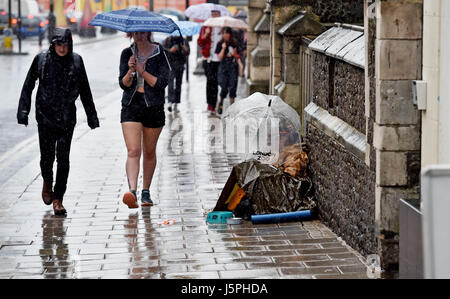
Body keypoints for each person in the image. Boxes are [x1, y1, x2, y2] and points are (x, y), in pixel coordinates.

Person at [17, 28, 99, 215]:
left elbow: (85, 90)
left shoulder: (77, 61)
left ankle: (58, 198)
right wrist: (23, 111)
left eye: (66, 45)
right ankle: (47, 181)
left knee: (63, 160)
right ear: (53, 44)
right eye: (59, 45)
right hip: (45, 116)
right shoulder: (41, 59)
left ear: (70, 45)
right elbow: (28, 85)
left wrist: (91, 116)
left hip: (66, 118)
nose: (62, 49)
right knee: (47, 158)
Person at [119, 31, 171, 208]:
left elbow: (161, 83)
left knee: (149, 151)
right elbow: (123, 83)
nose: (139, 36)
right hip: (131, 105)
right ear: (131, 34)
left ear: (148, 33)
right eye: (136, 33)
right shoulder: (127, 54)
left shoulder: (160, 53)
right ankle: (132, 192)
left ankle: (146, 191)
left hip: (153, 107)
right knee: (133, 150)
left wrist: (142, 71)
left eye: (142, 33)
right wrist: (131, 71)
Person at [198, 9, 222, 115]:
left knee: (216, 82)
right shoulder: (205, 27)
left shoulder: (223, 27)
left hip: (219, 59)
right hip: (207, 58)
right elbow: (200, 42)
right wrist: (205, 35)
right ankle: (210, 105)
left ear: (220, 16)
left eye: (216, 15)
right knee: (209, 82)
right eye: (212, 15)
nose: (214, 17)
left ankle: (215, 104)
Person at [215, 27, 241, 115]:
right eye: (224, 33)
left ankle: (232, 108)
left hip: (233, 67)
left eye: (227, 33)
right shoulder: (220, 43)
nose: (225, 35)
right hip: (223, 68)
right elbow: (219, 57)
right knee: (224, 87)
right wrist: (223, 48)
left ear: (230, 34)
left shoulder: (235, 43)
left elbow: (238, 57)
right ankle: (220, 103)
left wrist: (235, 54)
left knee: (233, 87)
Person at [163, 35, 190, 112]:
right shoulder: (168, 40)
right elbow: (163, 51)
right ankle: (170, 101)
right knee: (170, 82)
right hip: (170, 64)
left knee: (178, 83)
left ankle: (176, 102)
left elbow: (188, 52)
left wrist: (184, 47)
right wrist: (171, 50)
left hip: (180, 64)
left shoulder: (183, 40)